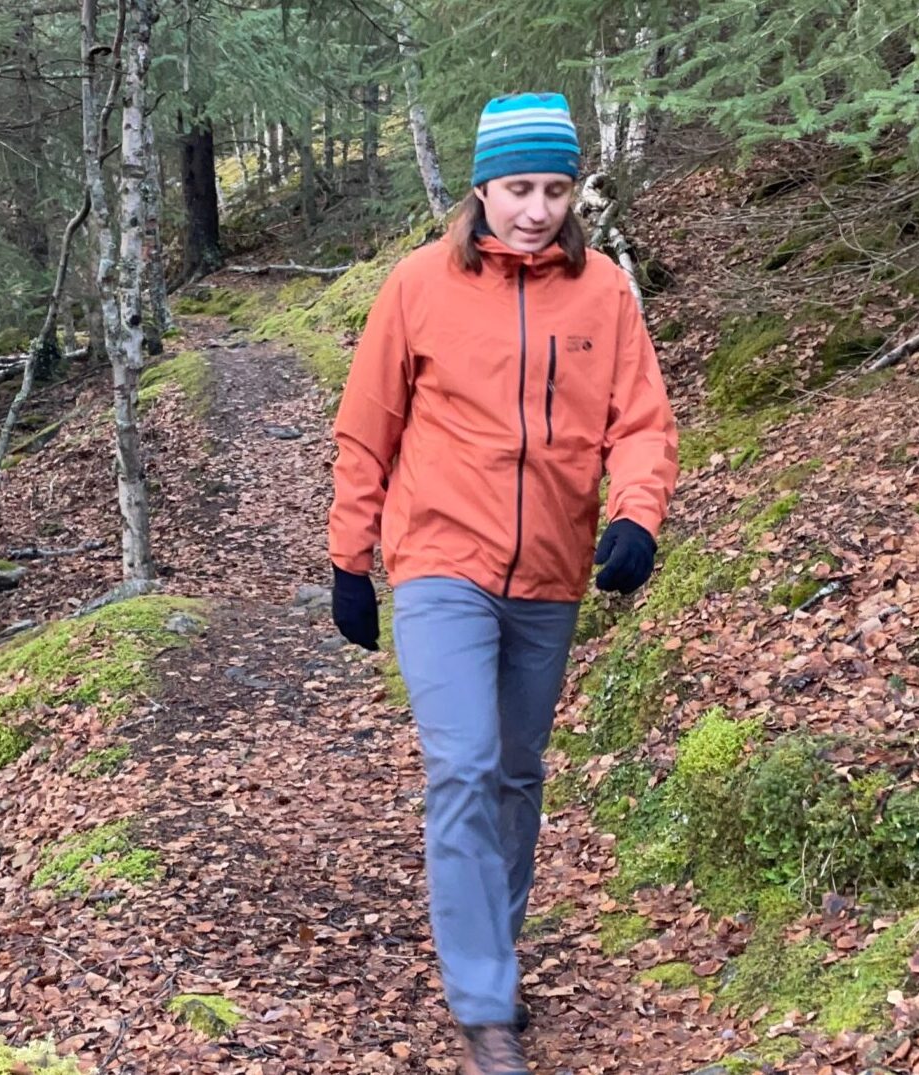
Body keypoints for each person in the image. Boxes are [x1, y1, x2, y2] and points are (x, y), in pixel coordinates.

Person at [326, 91, 679, 1074]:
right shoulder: (417, 287)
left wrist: (635, 516)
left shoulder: (602, 292)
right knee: (465, 765)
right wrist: (349, 559)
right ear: (480, 186)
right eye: (519, 187)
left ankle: (492, 944)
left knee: (518, 775)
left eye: (555, 189)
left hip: (552, 571)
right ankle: (485, 1005)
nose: (535, 209)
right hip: (440, 560)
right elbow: (366, 428)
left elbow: (640, 422)